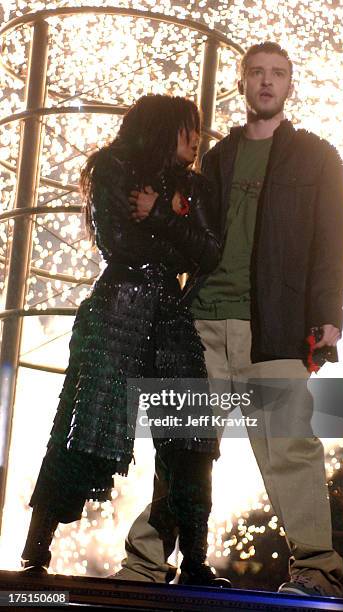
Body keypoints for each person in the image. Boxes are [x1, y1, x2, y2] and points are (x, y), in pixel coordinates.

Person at [113, 43, 343, 598]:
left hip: (273, 326)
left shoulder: (318, 157)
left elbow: (333, 242)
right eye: (257, 74)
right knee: (183, 446)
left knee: (289, 447)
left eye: (278, 74)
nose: (267, 83)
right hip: (199, 322)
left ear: (290, 85)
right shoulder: (216, 160)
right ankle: (146, 563)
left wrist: (328, 315)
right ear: (242, 84)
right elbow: (189, 235)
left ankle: (317, 570)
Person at [20, 94, 230, 587]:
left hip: (170, 316)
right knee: (85, 428)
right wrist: (173, 235)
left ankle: (196, 562)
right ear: (160, 127)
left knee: (192, 437)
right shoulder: (112, 168)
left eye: (197, 129)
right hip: (117, 309)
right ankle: (36, 551)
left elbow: (208, 253)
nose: (195, 139)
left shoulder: (193, 186)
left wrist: (159, 216)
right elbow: (118, 243)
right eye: (186, 128)